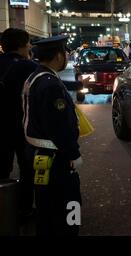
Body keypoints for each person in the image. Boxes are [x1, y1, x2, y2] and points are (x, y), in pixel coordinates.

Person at [23, 35, 82, 235]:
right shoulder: (51, 85)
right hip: (56, 158)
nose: (65, 56)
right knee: (68, 204)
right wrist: (73, 154)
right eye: (64, 52)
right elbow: (59, 127)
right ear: (58, 56)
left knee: (45, 204)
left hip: (38, 153)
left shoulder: (35, 77)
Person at [0, 28, 37, 220]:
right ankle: (23, 209)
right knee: (27, 169)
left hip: (0, 128)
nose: (29, 46)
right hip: (22, 127)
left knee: (1, 168)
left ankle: (3, 208)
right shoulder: (27, 67)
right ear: (22, 45)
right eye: (28, 43)